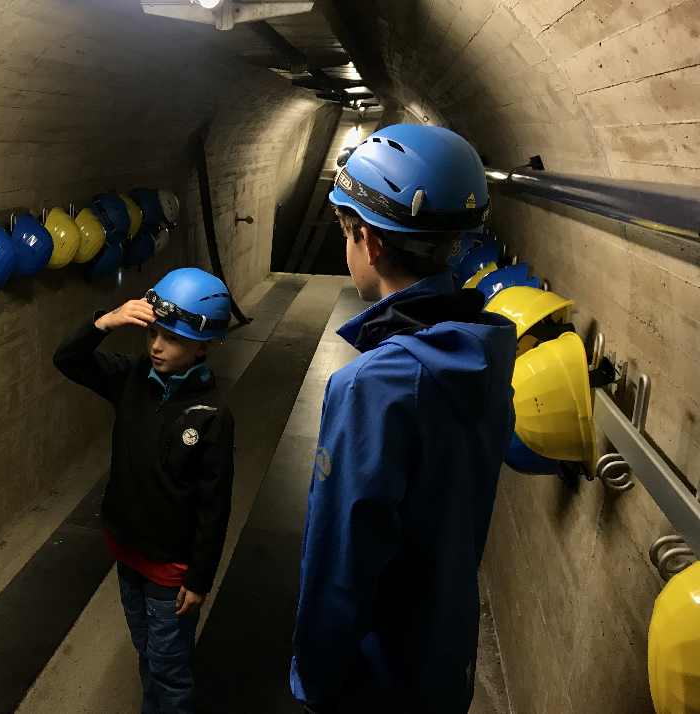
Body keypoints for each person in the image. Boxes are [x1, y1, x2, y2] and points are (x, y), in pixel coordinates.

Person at [290, 124, 518, 714]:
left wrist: (313, 680)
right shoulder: (485, 350)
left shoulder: (374, 385)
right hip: (441, 652)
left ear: (368, 239)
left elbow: (340, 557)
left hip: (377, 676)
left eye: (346, 232)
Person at [53, 267, 235, 714]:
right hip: (128, 550)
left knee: (170, 670)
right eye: (153, 332)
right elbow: (67, 359)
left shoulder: (210, 414)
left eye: (171, 338)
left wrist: (199, 579)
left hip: (171, 569)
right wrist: (104, 322)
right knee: (146, 651)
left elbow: (215, 504)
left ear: (203, 345)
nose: (156, 345)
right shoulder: (130, 378)